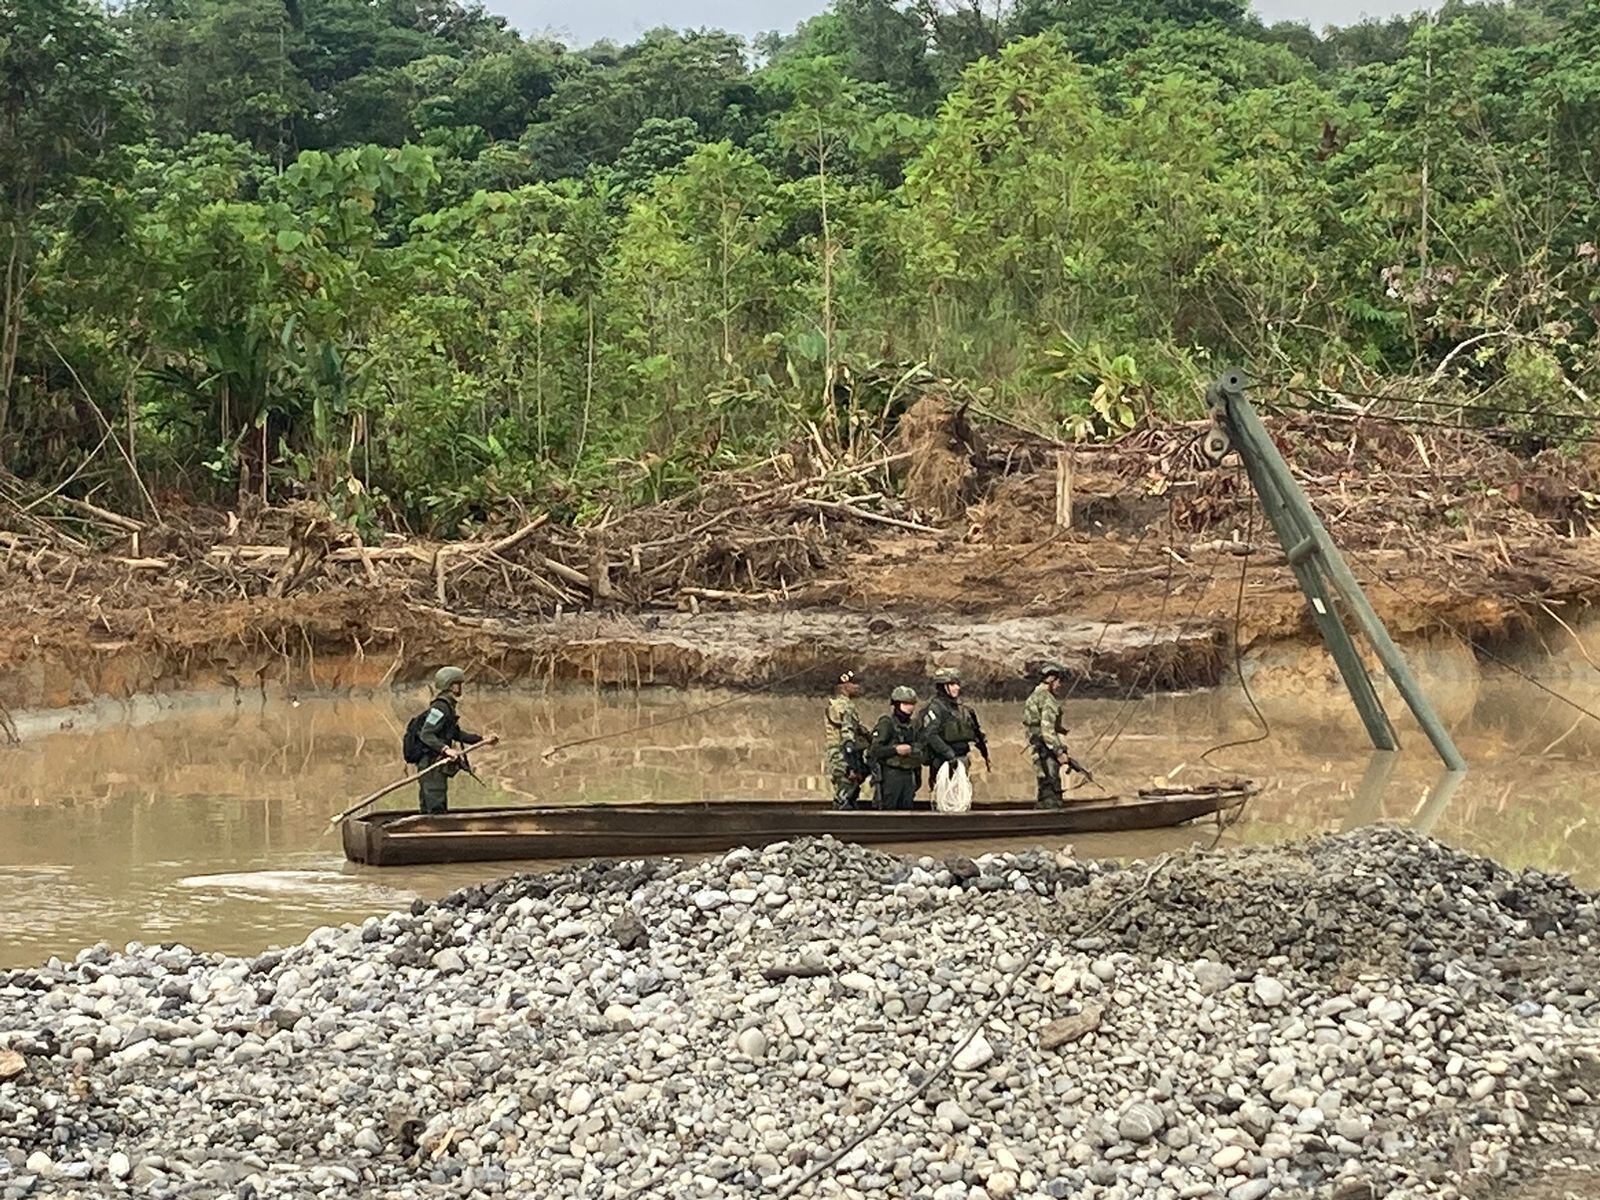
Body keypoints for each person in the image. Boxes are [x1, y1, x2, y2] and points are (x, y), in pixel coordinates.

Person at [416, 666, 498, 814]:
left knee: (433, 802)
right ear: (451, 686)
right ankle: (434, 833)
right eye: (458, 684)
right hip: (431, 763)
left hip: (435, 762)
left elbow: (456, 734)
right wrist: (446, 749)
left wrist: (482, 739)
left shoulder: (448, 706)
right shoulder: (440, 707)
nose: (460, 688)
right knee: (435, 804)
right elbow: (426, 734)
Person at [918, 667, 990, 781]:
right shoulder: (935, 708)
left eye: (957, 684)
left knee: (961, 795)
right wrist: (948, 754)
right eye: (952, 684)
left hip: (961, 758)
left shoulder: (963, 709)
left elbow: (975, 733)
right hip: (942, 761)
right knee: (944, 795)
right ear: (943, 686)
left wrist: (984, 751)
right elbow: (931, 735)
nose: (957, 687)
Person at [1023, 661, 1071, 810]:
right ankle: (1051, 814)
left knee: (1044, 784)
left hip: (1037, 749)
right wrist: (1059, 752)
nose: (1059, 685)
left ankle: (1044, 809)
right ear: (1051, 680)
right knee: (1052, 786)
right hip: (1046, 749)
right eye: (1058, 681)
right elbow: (1047, 730)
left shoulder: (1034, 696)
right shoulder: (1048, 700)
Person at [869, 686, 923, 810]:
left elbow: (920, 748)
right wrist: (895, 750)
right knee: (889, 807)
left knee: (907, 808)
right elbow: (874, 750)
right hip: (891, 773)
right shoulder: (887, 723)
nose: (909, 708)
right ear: (897, 704)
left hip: (909, 774)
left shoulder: (913, 725)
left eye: (911, 704)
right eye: (905, 704)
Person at [824, 670, 871, 809]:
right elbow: (847, 736)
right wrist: (853, 765)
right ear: (845, 686)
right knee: (846, 794)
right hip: (843, 755)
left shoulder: (833, 704)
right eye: (854, 683)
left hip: (835, 754)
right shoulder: (846, 706)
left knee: (841, 791)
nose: (857, 687)